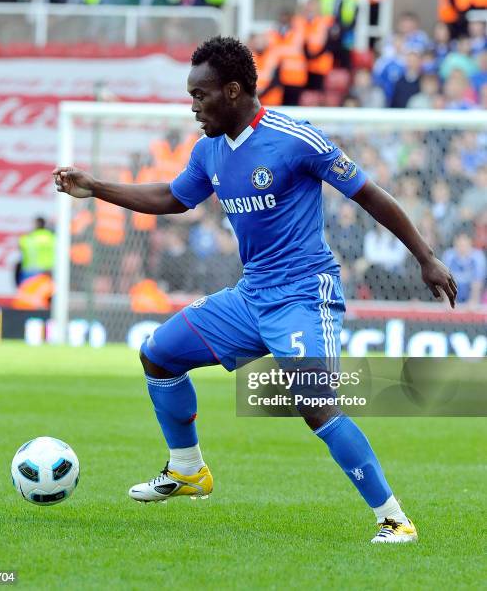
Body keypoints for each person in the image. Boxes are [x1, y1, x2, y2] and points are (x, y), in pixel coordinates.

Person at [53, 36, 457, 544]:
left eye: (200, 95)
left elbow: (370, 194)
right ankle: (187, 469)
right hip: (251, 296)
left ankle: (395, 519)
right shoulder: (209, 152)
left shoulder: (295, 139)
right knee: (158, 355)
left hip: (304, 294)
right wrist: (97, 188)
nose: (193, 107)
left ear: (234, 90)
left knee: (314, 401)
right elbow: (172, 197)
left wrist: (425, 257)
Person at [17, 216, 55, 283]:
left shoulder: (27, 238)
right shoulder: (52, 238)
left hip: (29, 272)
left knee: (29, 292)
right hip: (48, 272)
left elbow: (20, 249)